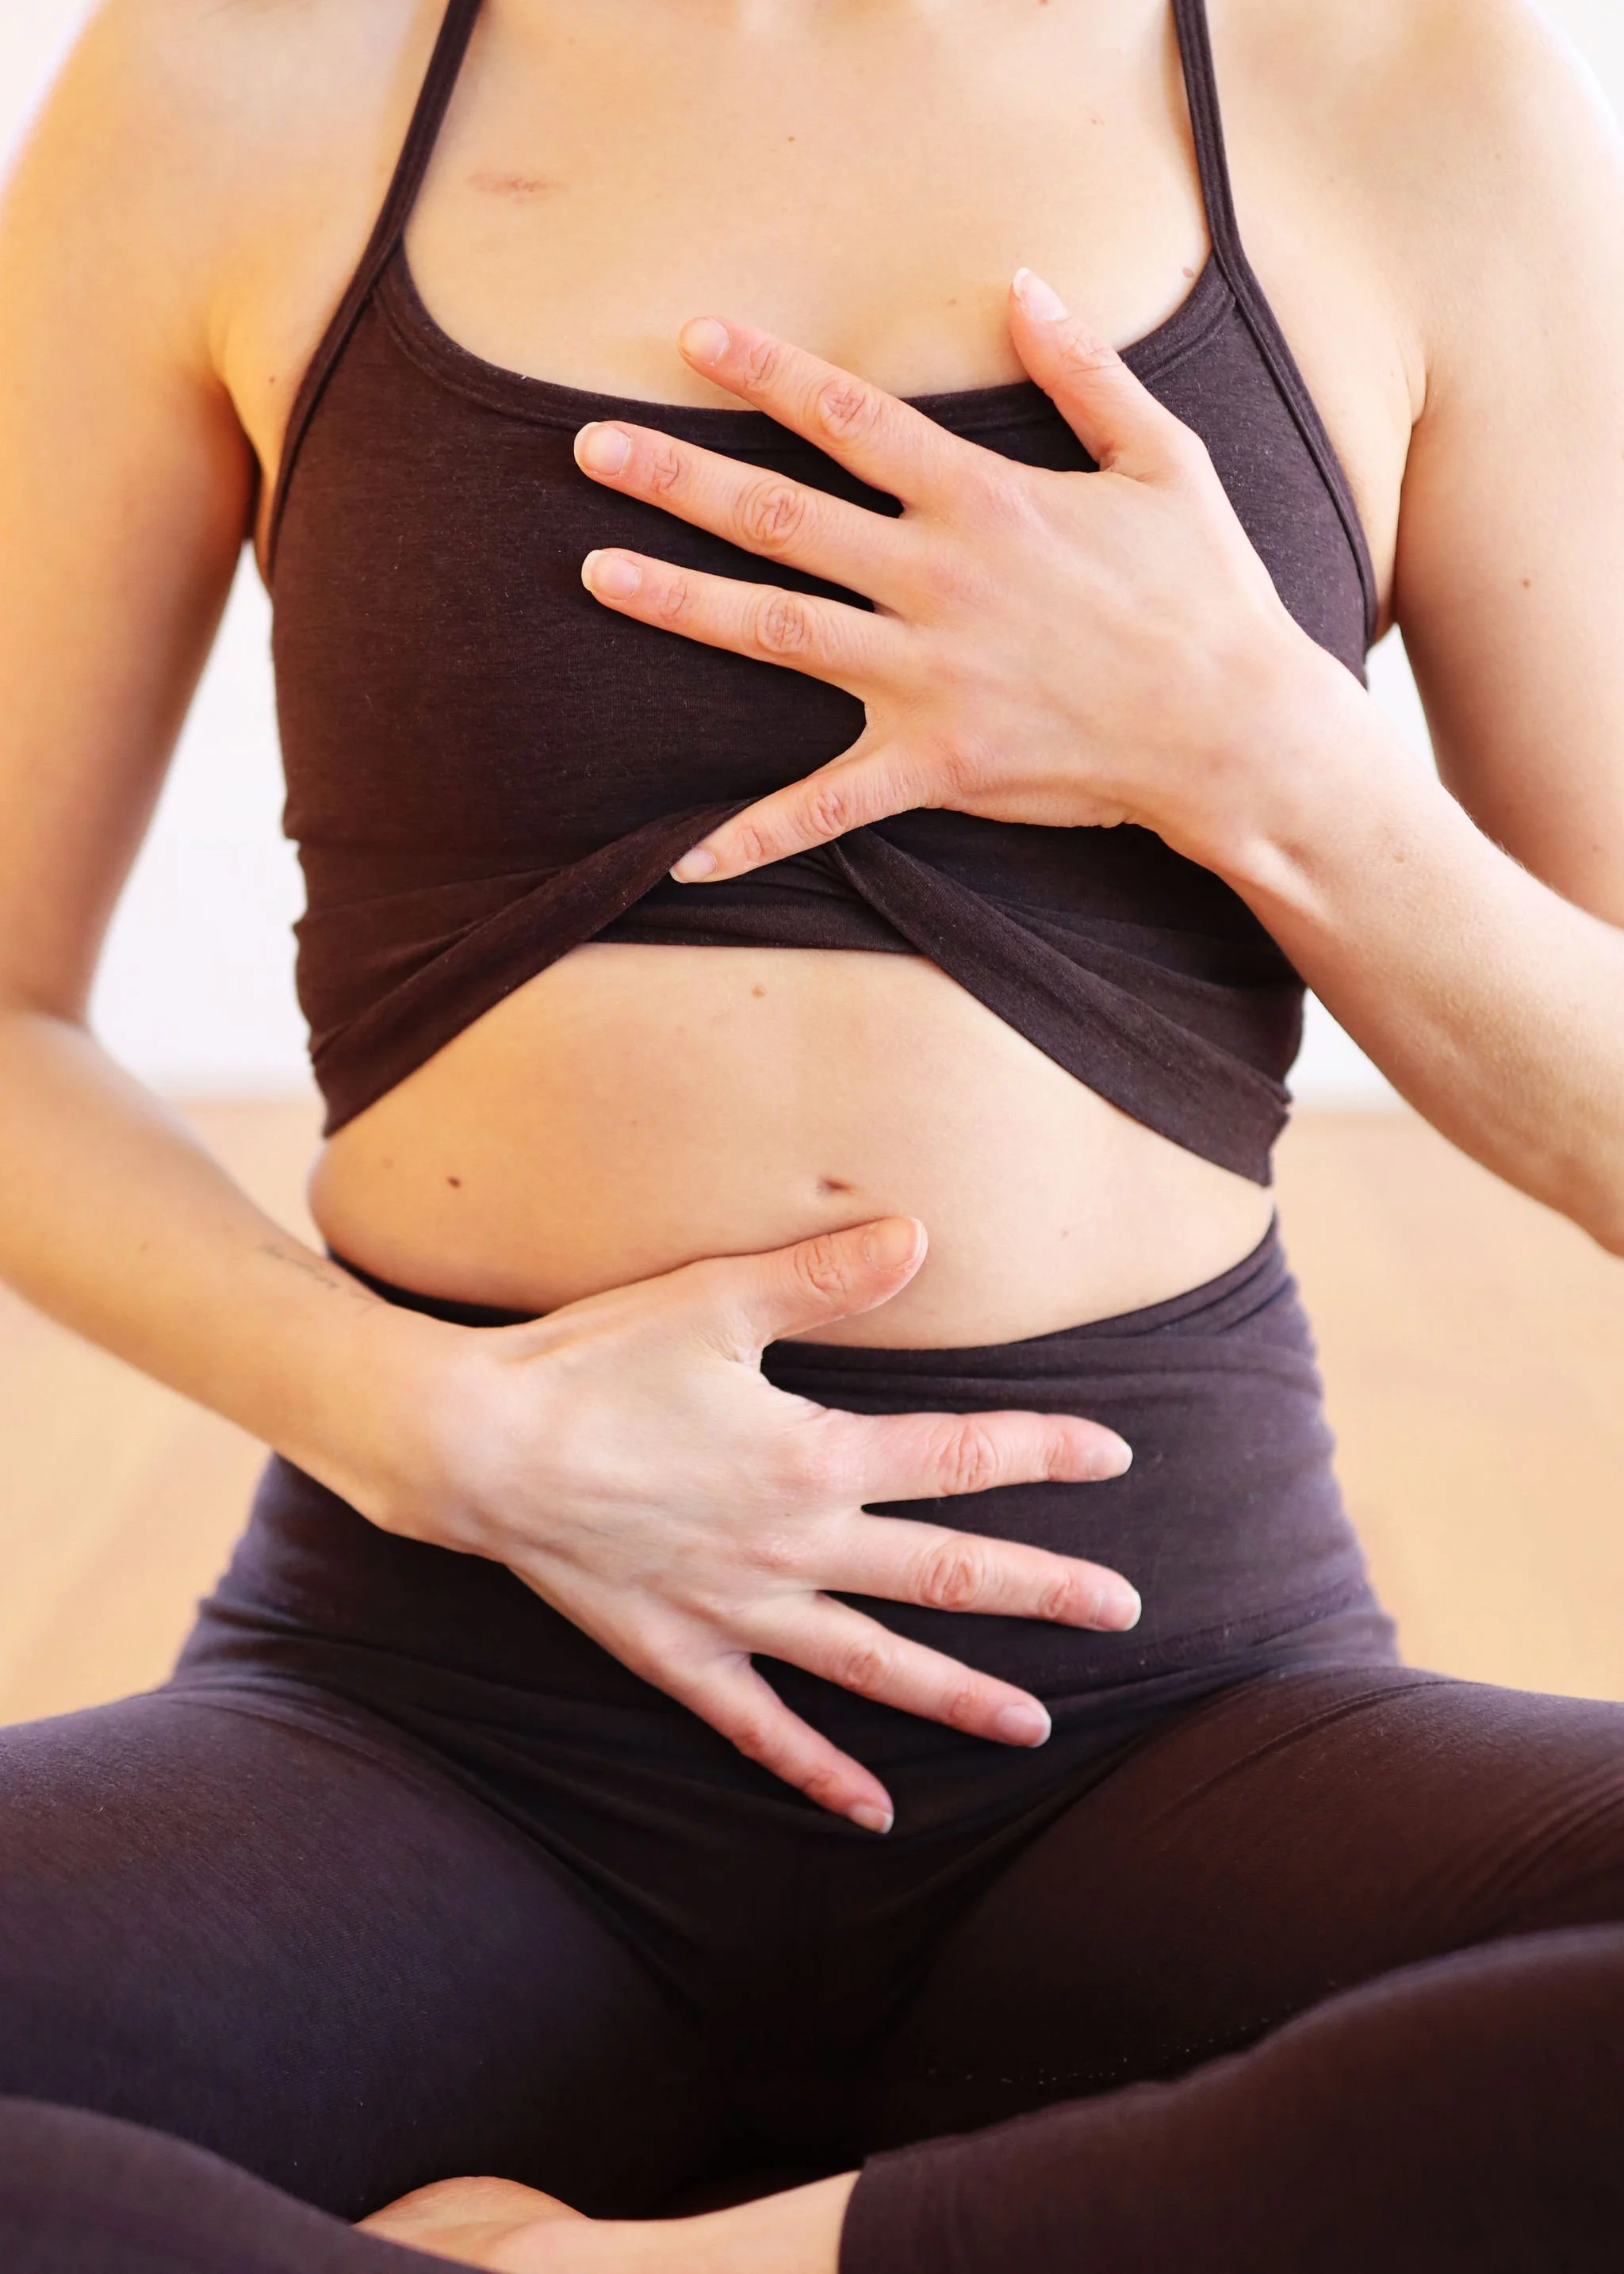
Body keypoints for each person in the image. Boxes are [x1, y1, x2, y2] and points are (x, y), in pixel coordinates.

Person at [2, 0, 1624, 2266]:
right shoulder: (237, 82)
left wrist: (1264, 752)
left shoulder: (1413, 99)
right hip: (447, 1712)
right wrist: (418, 1417)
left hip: (1180, 1709)